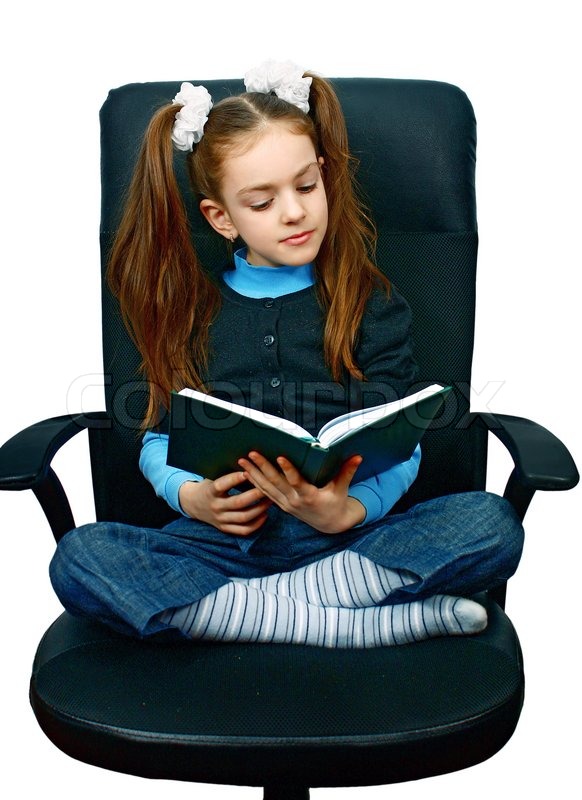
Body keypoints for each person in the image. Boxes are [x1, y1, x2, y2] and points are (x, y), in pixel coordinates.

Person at [49, 61, 524, 648]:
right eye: (261, 202)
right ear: (221, 218)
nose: (294, 212)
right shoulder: (191, 313)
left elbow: (402, 441)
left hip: (351, 539)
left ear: (324, 175)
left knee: (490, 524)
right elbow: (157, 440)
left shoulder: (368, 303)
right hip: (225, 547)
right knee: (81, 558)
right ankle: (351, 619)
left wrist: (352, 511)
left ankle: (244, 614)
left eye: (305, 186)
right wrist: (192, 498)